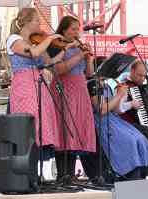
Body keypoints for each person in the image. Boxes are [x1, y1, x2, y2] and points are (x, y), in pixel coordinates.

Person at [7, 8, 65, 150]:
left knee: (42, 122)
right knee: (29, 121)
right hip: (24, 85)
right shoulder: (14, 39)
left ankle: (37, 162)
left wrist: (64, 49)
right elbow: (33, 53)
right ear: (27, 22)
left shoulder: (35, 42)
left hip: (39, 85)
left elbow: (48, 62)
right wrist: (49, 39)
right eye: (37, 20)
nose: (39, 23)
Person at [49, 16, 96, 182]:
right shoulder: (57, 45)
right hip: (65, 88)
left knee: (76, 129)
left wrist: (88, 58)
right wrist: (79, 55)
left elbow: (89, 74)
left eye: (78, 29)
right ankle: (63, 174)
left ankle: (71, 173)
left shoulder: (79, 47)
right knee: (65, 129)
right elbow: (60, 69)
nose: (77, 32)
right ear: (64, 29)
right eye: (73, 29)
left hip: (80, 88)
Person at [87, 78, 148, 180]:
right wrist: (119, 95)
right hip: (102, 121)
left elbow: (116, 110)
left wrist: (123, 96)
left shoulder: (107, 86)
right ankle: (128, 175)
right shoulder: (92, 84)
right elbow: (101, 110)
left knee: (140, 139)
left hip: (114, 119)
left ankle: (140, 175)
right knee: (129, 141)